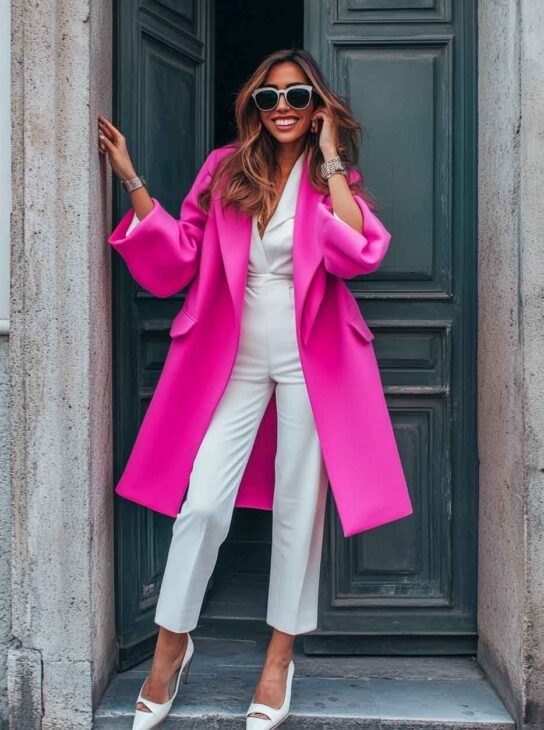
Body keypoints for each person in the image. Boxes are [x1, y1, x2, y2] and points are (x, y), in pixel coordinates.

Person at [99, 47, 411, 730]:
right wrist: (133, 183)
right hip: (233, 354)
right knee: (204, 503)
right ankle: (171, 645)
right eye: (269, 99)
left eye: (297, 97)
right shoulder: (225, 169)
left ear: (316, 105)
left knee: (300, 509)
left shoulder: (333, 178)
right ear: (254, 108)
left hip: (311, 356)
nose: (283, 110)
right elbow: (180, 256)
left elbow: (358, 252)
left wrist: (330, 157)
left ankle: (279, 658)